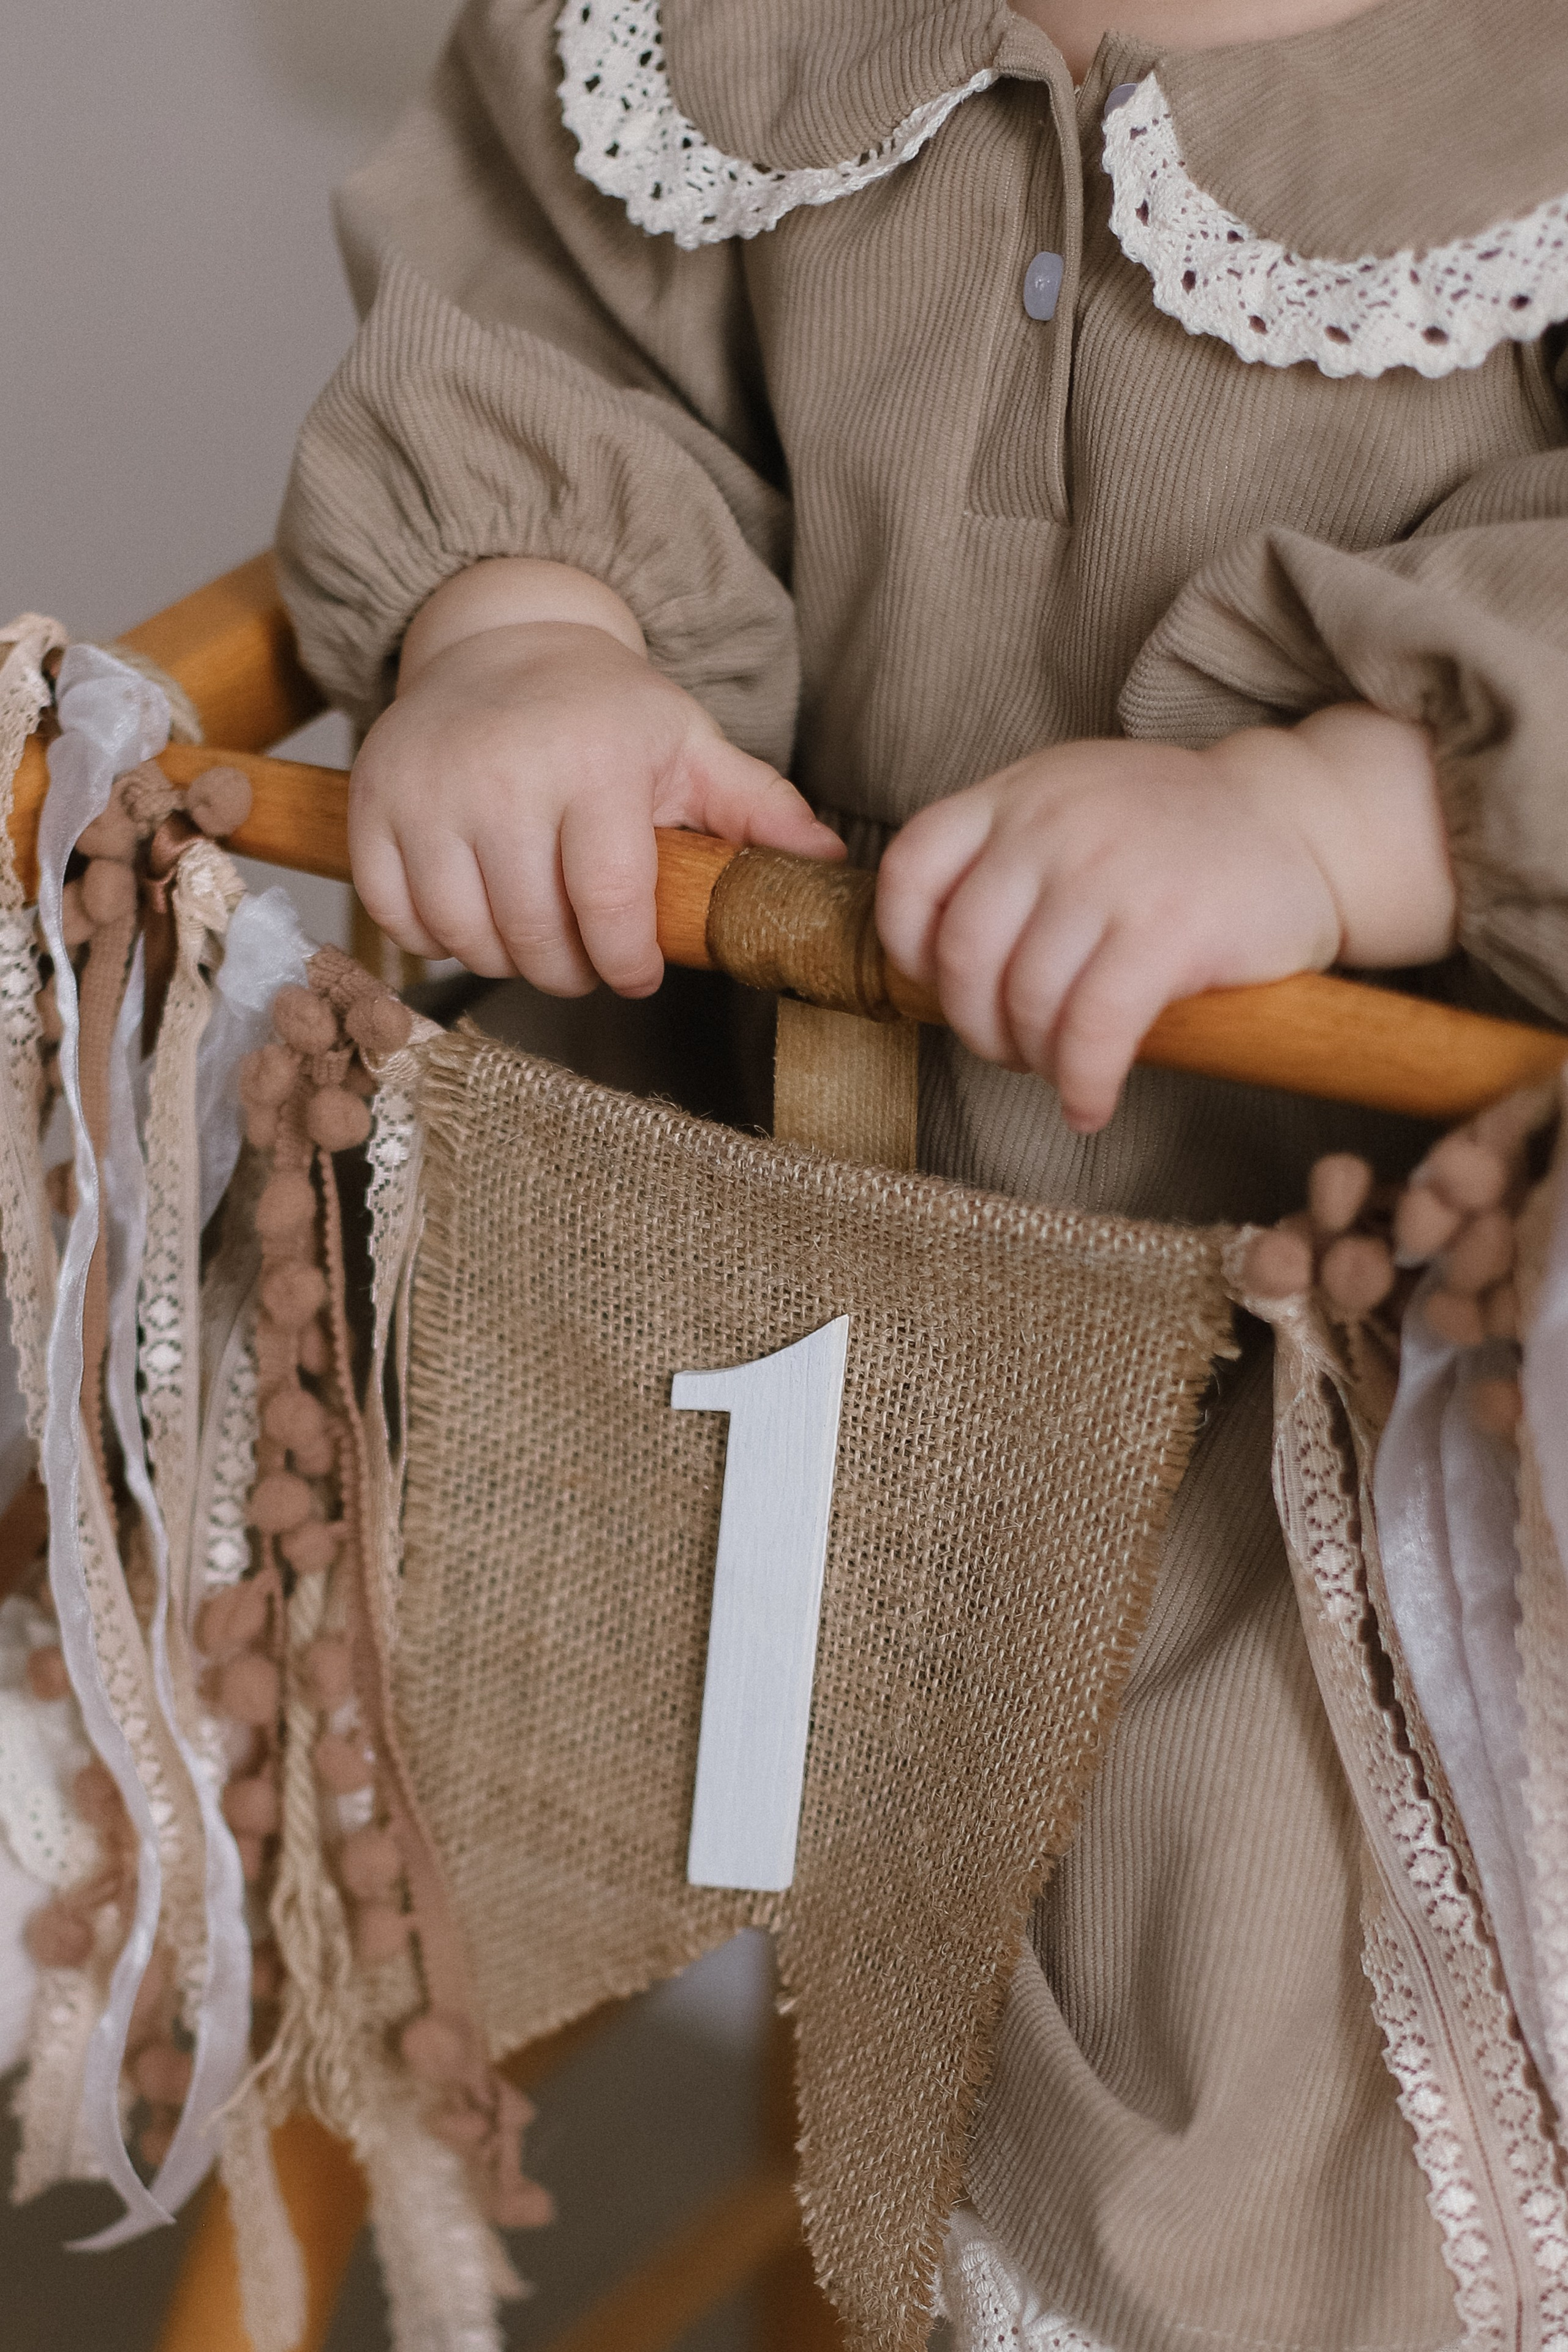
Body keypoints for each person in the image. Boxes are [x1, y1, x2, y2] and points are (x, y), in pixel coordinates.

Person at [277, 0, 1568, 2341]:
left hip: (1324, 1321)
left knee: (1247, 1898)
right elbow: (550, 329)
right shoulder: (734, 37)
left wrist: (1340, 813)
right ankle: (193, 1812)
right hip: (736, 1162)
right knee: (372, 1476)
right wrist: (526, 637)